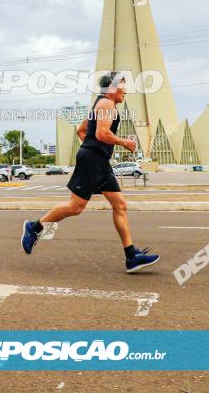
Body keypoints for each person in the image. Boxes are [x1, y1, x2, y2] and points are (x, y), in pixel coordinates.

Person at [21, 73, 160, 273]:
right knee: (76, 207)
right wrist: (124, 143)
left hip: (98, 161)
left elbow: (82, 130)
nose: (126, 91)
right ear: (111, 88)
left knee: (120, 205)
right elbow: (101, 134)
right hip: (93, 160)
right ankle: (34, 228)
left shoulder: (100, 104)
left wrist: (92, 148)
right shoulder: (106, 104)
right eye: (123, 85)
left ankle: (132, 257)